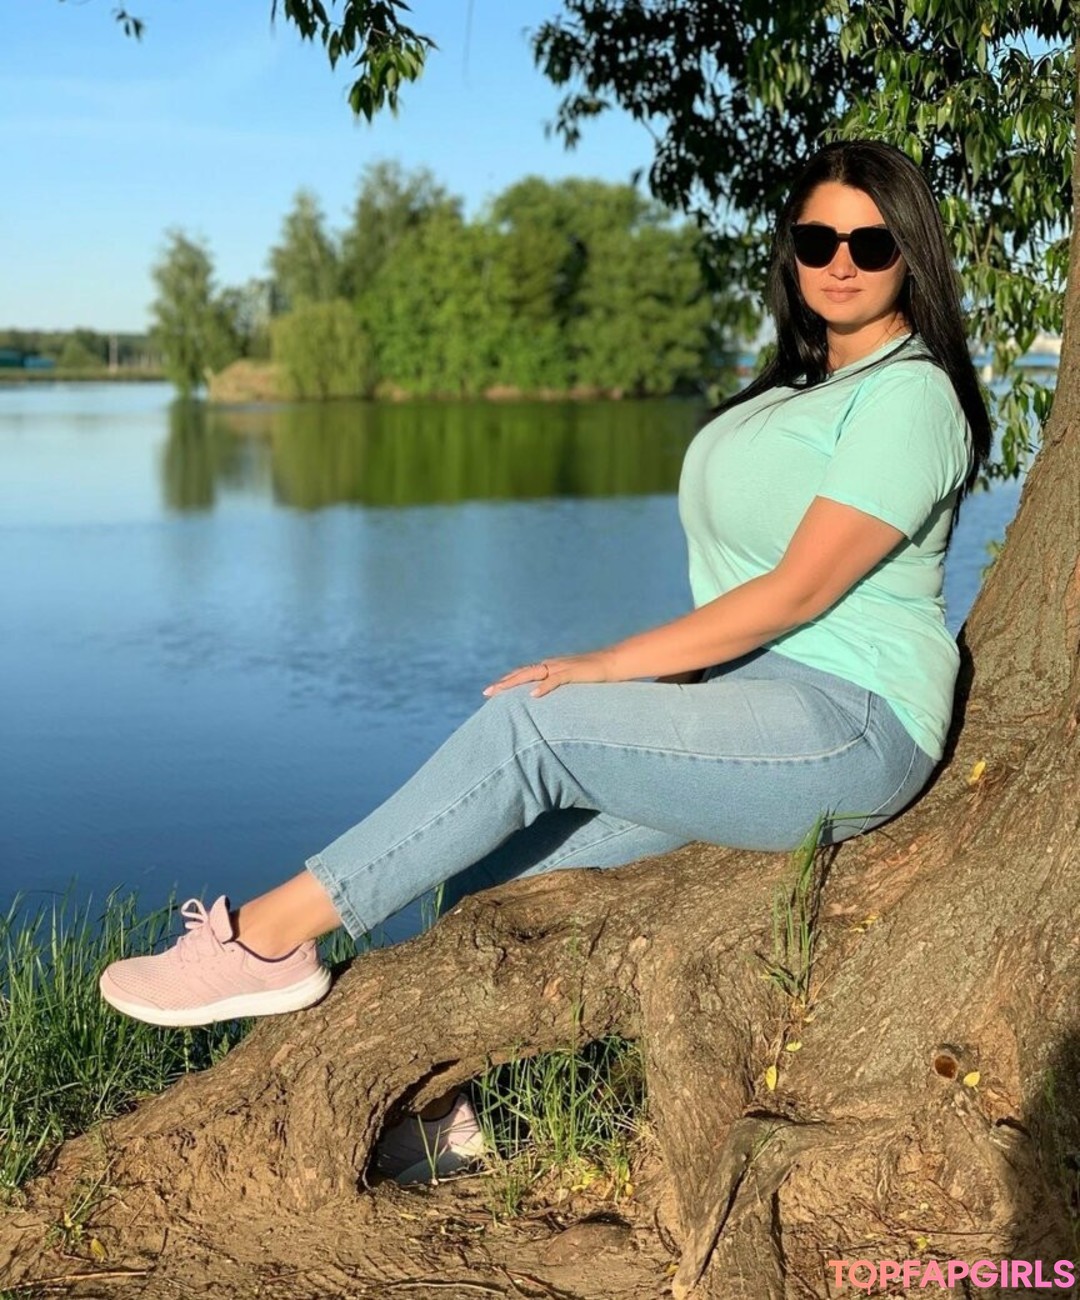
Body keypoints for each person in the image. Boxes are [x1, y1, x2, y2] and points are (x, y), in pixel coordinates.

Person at [99, 139, 991, 1181]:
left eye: (870, 243)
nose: (841, 261)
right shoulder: (798, 389)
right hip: (753, 707)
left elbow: (796, 593)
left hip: (852, 720)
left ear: (910, 255)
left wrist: (611, 665)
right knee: (488, 877)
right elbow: (744, 582)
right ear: (789, 251)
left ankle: (261, 938)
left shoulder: (910, 396)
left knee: (533, 724)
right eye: (817, 238)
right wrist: (666, 677)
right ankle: (445, 1116)